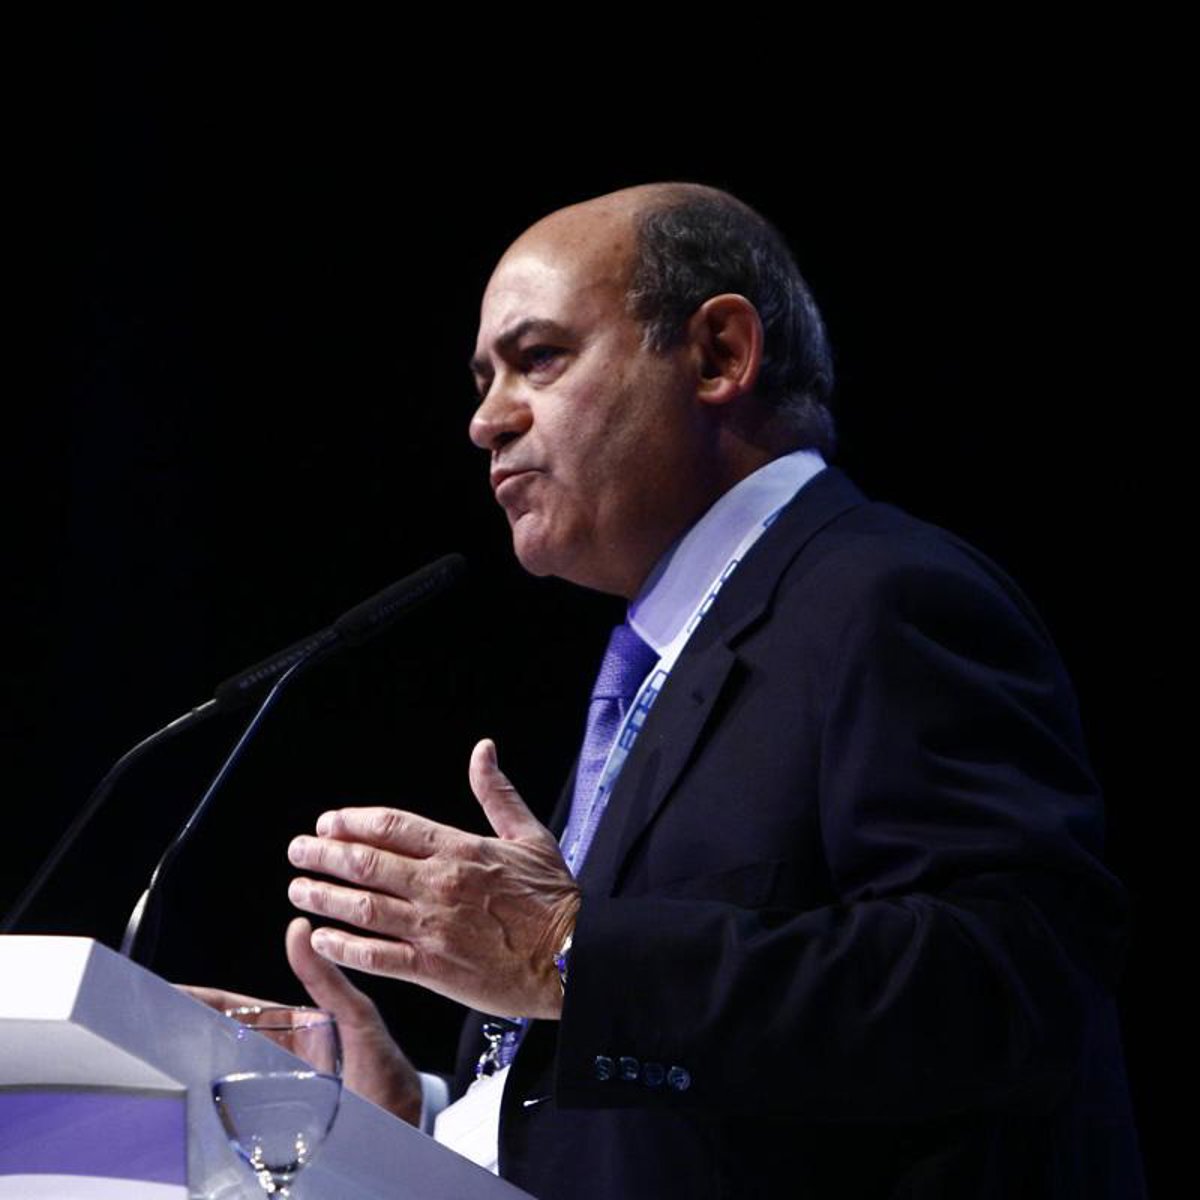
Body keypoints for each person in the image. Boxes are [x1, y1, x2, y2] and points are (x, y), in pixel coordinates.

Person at [195, 184, 1144, 1197]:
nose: (485, 421)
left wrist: (567, 948)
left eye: (538, 358)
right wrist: (421, 1122)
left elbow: (1007, 985)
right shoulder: (667, 655)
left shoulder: (883, 597)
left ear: (718, 355)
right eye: (482, 379)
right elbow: (664, 1076)